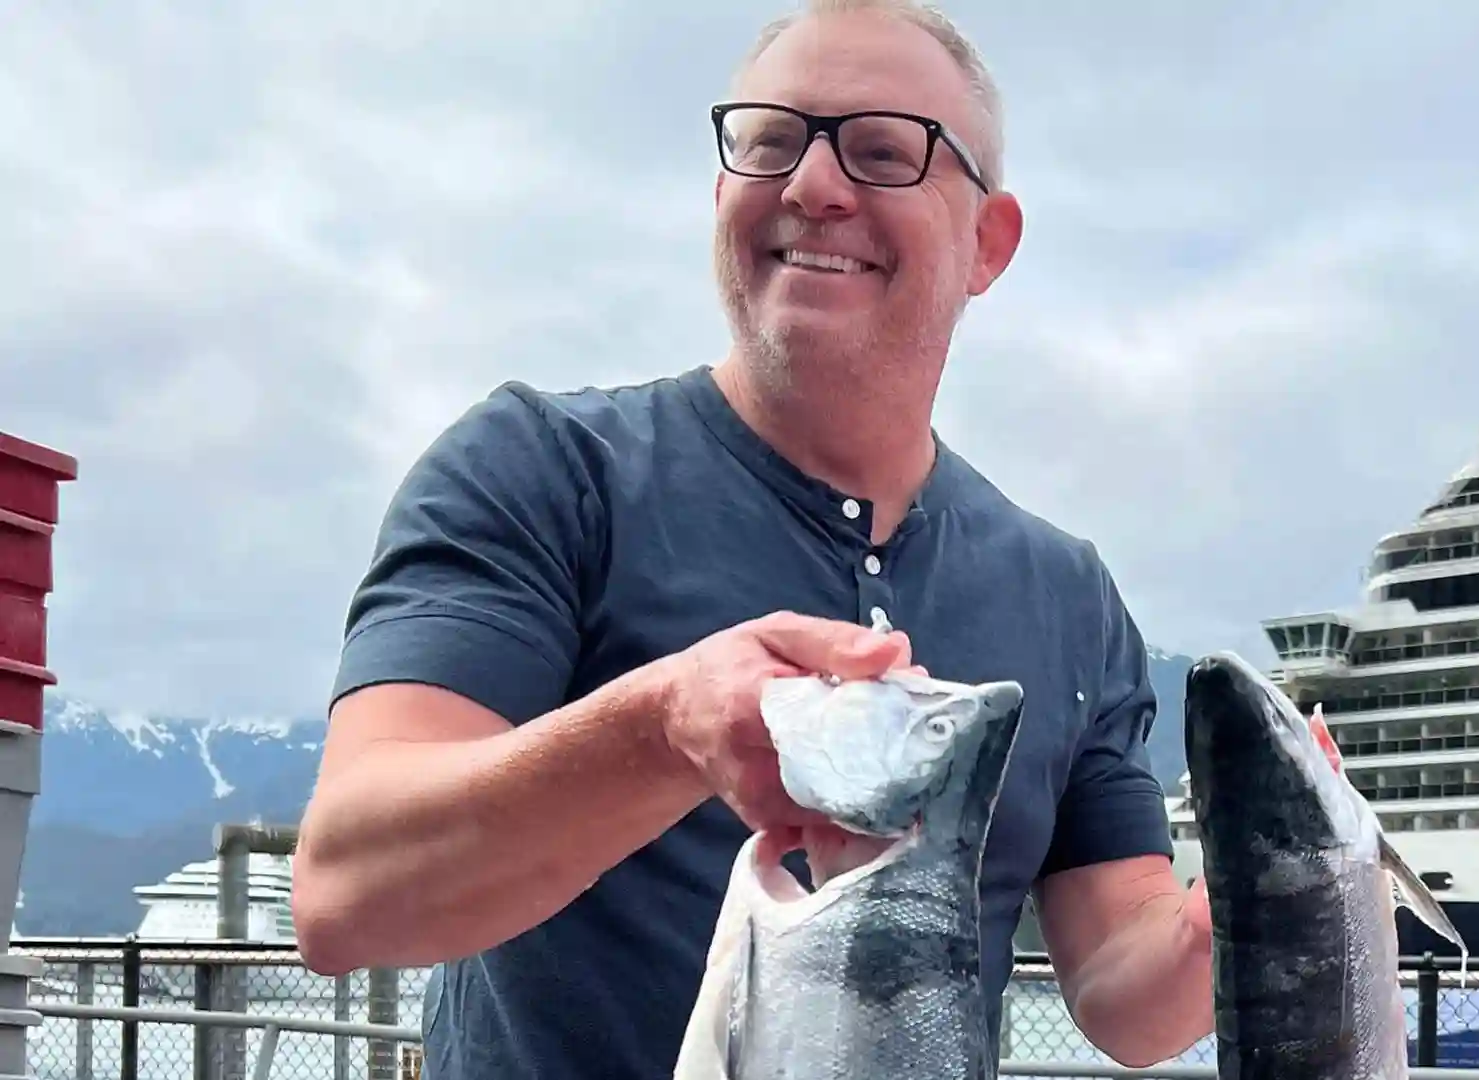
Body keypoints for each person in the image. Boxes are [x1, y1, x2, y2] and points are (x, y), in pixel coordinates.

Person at [289, 0, 1217, 1075]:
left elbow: (1124, 996)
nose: (813, 187)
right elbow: (346, 893)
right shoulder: (543, 471)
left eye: (883, 151)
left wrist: (1267, 887)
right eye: (771, 140)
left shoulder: (1068, 594)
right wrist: (666, 727)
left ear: (988, 244)